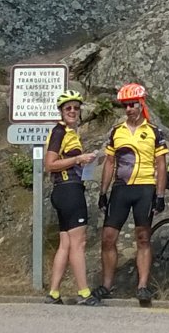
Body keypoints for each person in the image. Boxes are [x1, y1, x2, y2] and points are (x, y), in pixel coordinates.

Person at [94, 82, 169, 303]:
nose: (128, 109)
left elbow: (161, 164)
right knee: (108, 238)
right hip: (120, 189)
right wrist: (103, 192)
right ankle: (107, 285)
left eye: (132, 104)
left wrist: (161, 194)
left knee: (143, 237)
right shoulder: (116, 132)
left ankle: (143, 286)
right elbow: (109, 162)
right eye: (125, 105)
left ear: (141, 104)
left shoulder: (154, 132)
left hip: (145, 188)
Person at [44, 89, 101, 306]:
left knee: (66, 244)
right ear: (61, 111)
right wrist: (78, 158)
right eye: (68, 108)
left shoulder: (69, 133)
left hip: (64, 190)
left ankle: (54, 292)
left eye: (76, 108)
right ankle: (84, 293)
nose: (73, 111)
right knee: (79, 243)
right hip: (69, 191)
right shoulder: (59, 132)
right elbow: (49, 164)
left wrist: (84, 160)